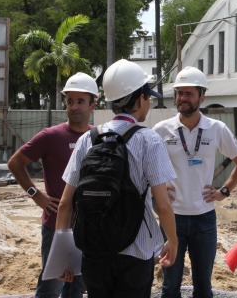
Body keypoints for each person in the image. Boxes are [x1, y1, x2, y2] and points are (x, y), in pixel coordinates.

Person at [55, 59, 178, 297]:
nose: (149, 103)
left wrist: (63, 256)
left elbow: (65, 204)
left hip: (94, 249)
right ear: (140, 97)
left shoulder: (87, 139)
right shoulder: (149, 140)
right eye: (148, 97)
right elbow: (163, 205)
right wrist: (172, 241)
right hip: (136, 250)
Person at [153, 66, 237, 298]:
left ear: (202, 97)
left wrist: (224, 191)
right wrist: (159, 187)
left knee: (203, 287)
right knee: (170, 287)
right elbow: (147, 168)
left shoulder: (217, 129)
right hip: (171, 218)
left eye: (188, 93)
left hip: (204, 219)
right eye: (179, 93)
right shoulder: (160, 130)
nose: (182, 98)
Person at [7, 72, 98, 298]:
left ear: (92, 105)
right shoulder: (51, 136)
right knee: (51, 286)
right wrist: (35, 194)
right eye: (70, 101)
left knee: (77, 285)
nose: (74, 106)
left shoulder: (98, 138)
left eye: (80, 101)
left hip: (87, 226)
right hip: (56, 225)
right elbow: (15, 162)